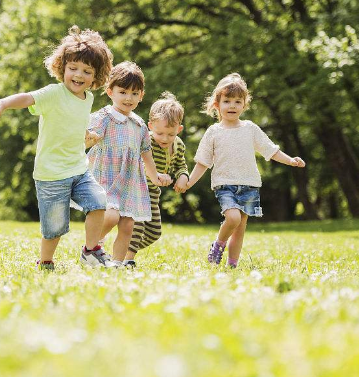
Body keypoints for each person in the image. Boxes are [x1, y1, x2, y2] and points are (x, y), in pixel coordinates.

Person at [0, 26, 115, 269]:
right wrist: (2, 104)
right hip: (51, 175)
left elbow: (71, 123)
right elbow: (27, 98)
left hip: (79, 169)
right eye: (73, 68)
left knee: (99, 202)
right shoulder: (53, 94)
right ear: (62, 67)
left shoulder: (87, 99)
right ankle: (46, 262)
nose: (79, 75)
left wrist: (85, 136)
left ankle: (91, 251)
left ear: (96, 76)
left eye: (87, 71)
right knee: (54, 229)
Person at [185, 73, 306, 268]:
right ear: (217, 104)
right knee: (232, 218)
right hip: (225, 185)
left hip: (249, 185)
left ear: (244, 105)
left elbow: (270, 150)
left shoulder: (250, 128)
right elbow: (203, 162)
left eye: (237, 101)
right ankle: (218, 245)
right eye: (227, 101)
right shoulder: (214, 132)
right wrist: (189, 182)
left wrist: (290, 160)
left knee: (240, 229)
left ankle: (232, 264)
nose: (232, 105)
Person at [85, 61, 166, 266]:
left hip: (130, 181)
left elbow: (146, 152)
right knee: (111, 216)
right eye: (123, 92)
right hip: (106, 176)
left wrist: (155, 177)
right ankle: (91, 248)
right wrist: (88, 139)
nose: (128, 98)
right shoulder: (104, 118)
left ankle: (117, 264)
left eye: (134, 93)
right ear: (110, 91)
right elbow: (87, 138)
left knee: (128, 225)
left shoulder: (139, 124)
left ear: (141, 95)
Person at [123, 92, 189, 268]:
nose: (165, 139)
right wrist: (156, 175)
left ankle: (122, 249)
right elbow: (136, 162)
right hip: (137, 188)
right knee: (138, 226)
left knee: (154, 232)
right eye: (160, 133)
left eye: (171, 134)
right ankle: (127, 259)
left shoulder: (178, 145)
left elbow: (180, 166)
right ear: (150, 126)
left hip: (153, 193)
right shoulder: (146, 141)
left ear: (179, 130)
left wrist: (182, 177)